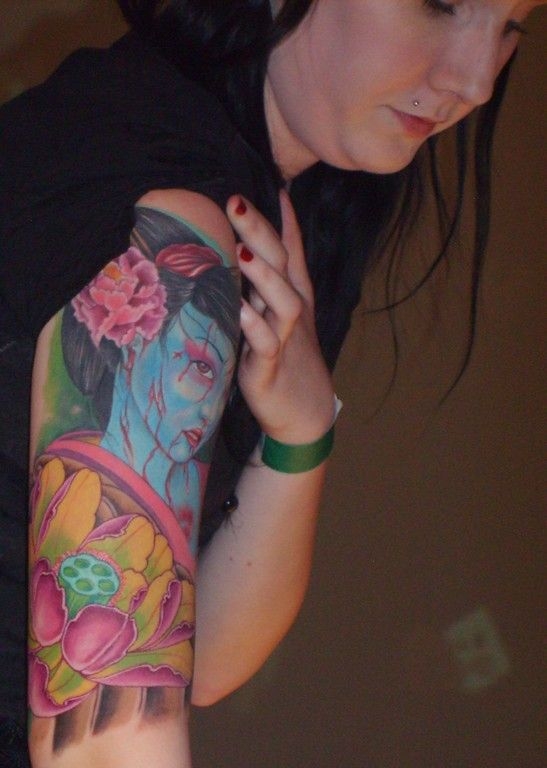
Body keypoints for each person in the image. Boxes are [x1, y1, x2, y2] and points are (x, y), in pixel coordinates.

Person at [0, 1, 543, 765]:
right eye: (440, 3)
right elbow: (105, 740)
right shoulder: (170, 214)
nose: (477, 79)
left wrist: (300, 434)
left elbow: (200, 663)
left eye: (514, 25)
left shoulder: (282, 206)